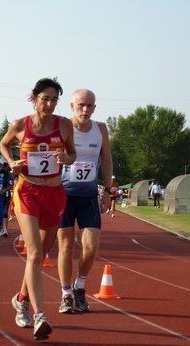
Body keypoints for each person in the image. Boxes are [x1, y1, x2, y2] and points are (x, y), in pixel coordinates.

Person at [0, 77, 76, 340]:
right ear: (34, 98)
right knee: (34, 254)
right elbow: (3, 144)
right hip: (27, 190)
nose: (51, 104)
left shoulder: (64, 125)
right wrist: (12, 161)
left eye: (55, 99)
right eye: (46, 98)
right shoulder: (20, 125)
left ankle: (21, 298)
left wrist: (68, 158)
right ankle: (39, 315)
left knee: (41, 252)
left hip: (54, 193)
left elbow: (72, 153)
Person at [57, 89, 112, 314]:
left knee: (91, 246)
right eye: (81, 105)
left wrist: (108, 191)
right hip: (64, 196)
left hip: (89, 196)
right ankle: (65, 295)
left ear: (95, 108)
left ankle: (79, 287)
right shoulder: (62, 127)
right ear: (72, 106)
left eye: (89, 106)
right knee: (66, 246)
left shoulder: (100, 129)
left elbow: (106, 160)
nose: (85, 110)